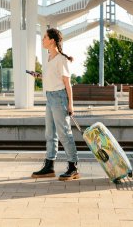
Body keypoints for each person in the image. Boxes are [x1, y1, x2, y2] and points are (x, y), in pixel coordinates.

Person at [30, 28, 80, 181]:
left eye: (45, 37)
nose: (43, 39)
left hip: (59, 97)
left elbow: (67, 83)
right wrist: (39, 76)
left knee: (64, 133)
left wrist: (71, 105)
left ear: (52, 40)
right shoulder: (48, 58)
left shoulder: (61, 59)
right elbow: (51, 76)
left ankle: (73, 167)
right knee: (50, 134)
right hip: (50, 97)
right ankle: (49, 166)